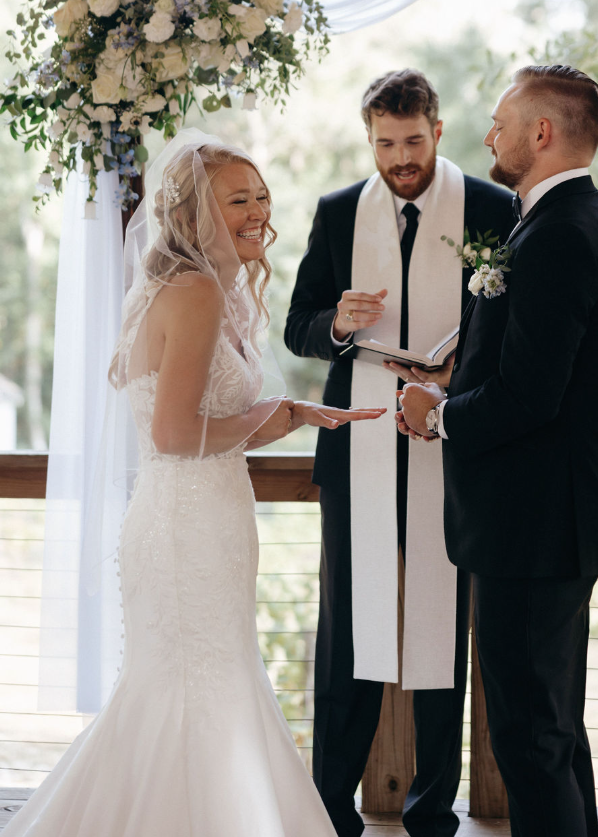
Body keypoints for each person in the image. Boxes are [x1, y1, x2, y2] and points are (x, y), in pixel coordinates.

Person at [3, 129, 386, 837]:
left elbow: (201, 418)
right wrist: (277, 414)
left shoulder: (197, 288)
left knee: (199, 686)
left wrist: (286, 415)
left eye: (261, 196)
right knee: (195, 691)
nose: (258, 211)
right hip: (188, 526)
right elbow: (175, 435)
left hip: (199, 513)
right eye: (237, 198)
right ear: (191, 212)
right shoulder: (196, 291)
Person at [399, 65, 598, 837]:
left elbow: (532, 400)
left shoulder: (559, 234)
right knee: (552, 736)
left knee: (531, 742)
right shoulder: (565, 220)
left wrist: (438, 415)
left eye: (502, 121)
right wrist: (461, 369)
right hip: (544, 522)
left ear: (543, 132)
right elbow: (534, 371)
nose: (489, 134)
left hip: (531, 527)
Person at [285, 69, 514, 837]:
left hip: (454, 439)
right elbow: (298, 326)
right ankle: (329, 809)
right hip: (360, 440)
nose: (400, 158)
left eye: (413, 141)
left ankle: (431, 811)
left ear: (438, 131)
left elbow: (509, 323)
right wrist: (339, 326)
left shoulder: (492, 206)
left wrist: (457, 375)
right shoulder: (337, 211)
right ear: (370, 139)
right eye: (385, 144)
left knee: (445, 627)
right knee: (347, 627)